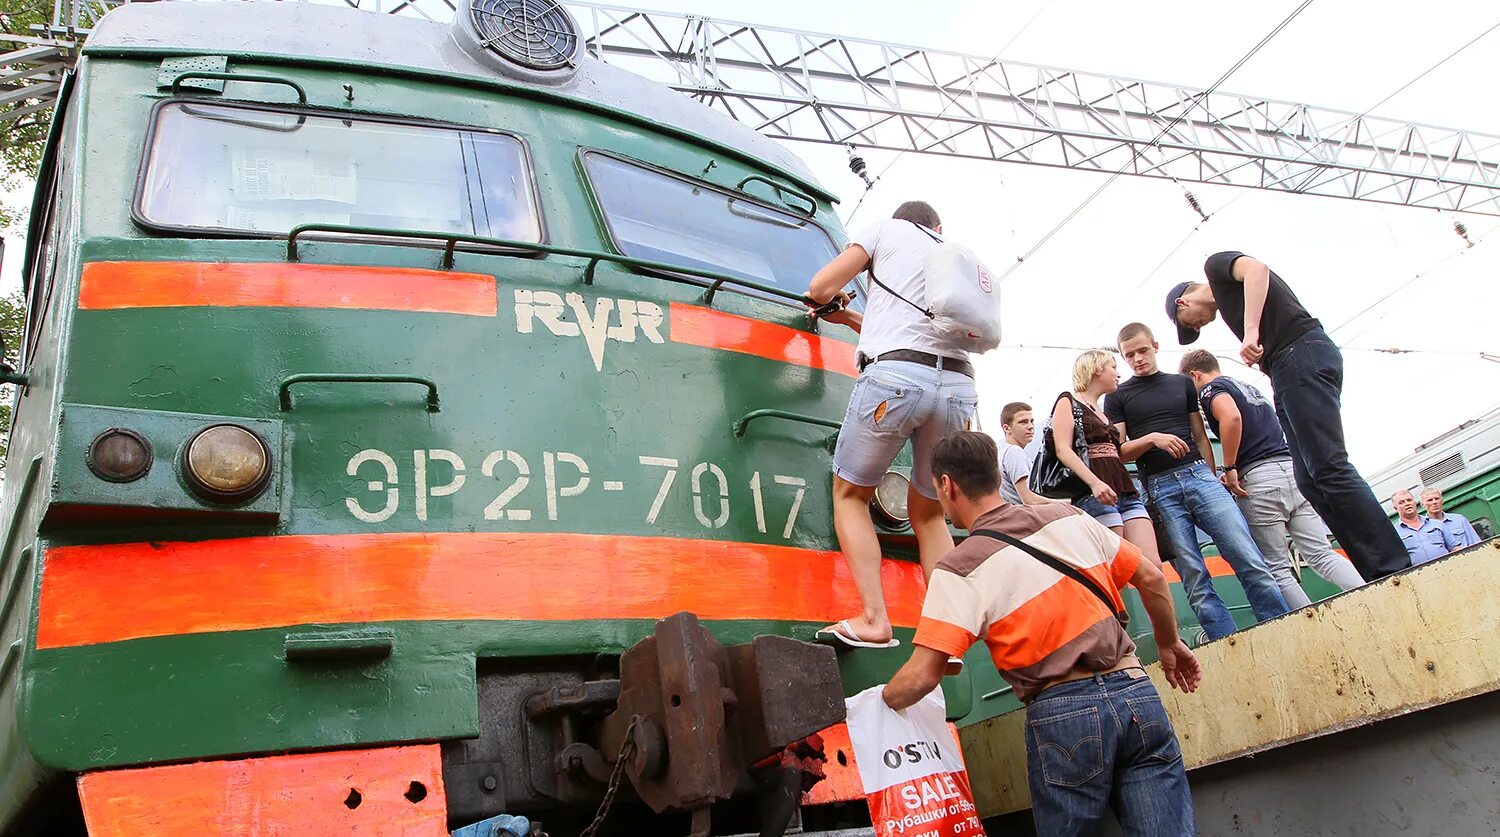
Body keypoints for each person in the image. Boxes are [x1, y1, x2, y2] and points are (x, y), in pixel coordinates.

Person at [882, 431, 1201, 836]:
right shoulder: (1068, 518)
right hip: (1135, 691)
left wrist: (878, 703)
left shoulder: (959, 567)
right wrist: (1170, 644)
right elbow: (1152, 579)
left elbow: (923, 675)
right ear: (997, 475)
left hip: (1063, 711)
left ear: (946, 486)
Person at [1167, 253, 1411, 582]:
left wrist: (1250, 333)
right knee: (1310, 478)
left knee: (1329, 465)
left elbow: (1256, 268)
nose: (1199, 326)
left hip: (1299, 354)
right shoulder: (1229, 303)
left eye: (1190, 323)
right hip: (1285, 369)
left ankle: (1393, 565)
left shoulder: (1215, 268)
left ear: (1183, 302)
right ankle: (1373, 569)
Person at [804, 201, 978, 648]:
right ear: (938, 227)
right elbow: (915, 332)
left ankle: (874, 620)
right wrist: (851, 318)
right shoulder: (953, 253)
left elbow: (820, 285)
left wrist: (828, 303)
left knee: (851, 495)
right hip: (959, 387)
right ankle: (947, 631)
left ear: (901, 221)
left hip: (897, 381)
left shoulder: (885, 231)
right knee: (929, 513)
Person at [1106, 323, 1289, 639]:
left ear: (1156, 346)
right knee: (1193, 577)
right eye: (1129, 355)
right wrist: (1153, 439)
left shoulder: (1182, 384)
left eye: (1142, 350)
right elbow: (1119, 452)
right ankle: (1227, 643)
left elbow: (1201, 435)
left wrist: (1211, 473)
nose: (1137, 359)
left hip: (1200, 477)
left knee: (1247, 557)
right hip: (1160, 488)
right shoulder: (1117, 397)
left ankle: (1282, 631)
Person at [1179, 350, 1365, 607]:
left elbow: (1231, 418)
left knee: (1276, 568)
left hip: (1259, 477)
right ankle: (1368, 597)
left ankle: (1310, 625)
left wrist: (1229, 466)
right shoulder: (1248, 389)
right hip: (1291, 471)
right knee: (1321, 553)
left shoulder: (1211, 390)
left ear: (1195, 375)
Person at [1048, 351, 1166, 568]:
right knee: (1116, 566)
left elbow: (1118, 452)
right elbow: (1063, 449)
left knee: (1153, 564)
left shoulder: (1103, 411)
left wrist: (1151, 439)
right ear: (1096, 369)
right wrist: (1094, 483)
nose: (1118, 373)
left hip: (1124, 489)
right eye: (1113, 367)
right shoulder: (1068, 401)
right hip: (1096, 493)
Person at [998, 401, 1060, 506]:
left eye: (1032, 421)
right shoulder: (1013, 452)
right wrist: (1069, 503)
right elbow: (1030, 500)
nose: (1030, 426)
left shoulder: (1003, 453)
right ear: (1007, 428)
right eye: (1023, 422)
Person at [1392, 489, 1455, 565]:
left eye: (1409, 500)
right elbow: (1397, 561)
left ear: (1415, 502)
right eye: (1401, 503)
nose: (1407, 504)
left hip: (1449, 569)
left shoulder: (1438, 524)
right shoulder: (1394, 533)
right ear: (1396, 508)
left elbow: (1454, 548)